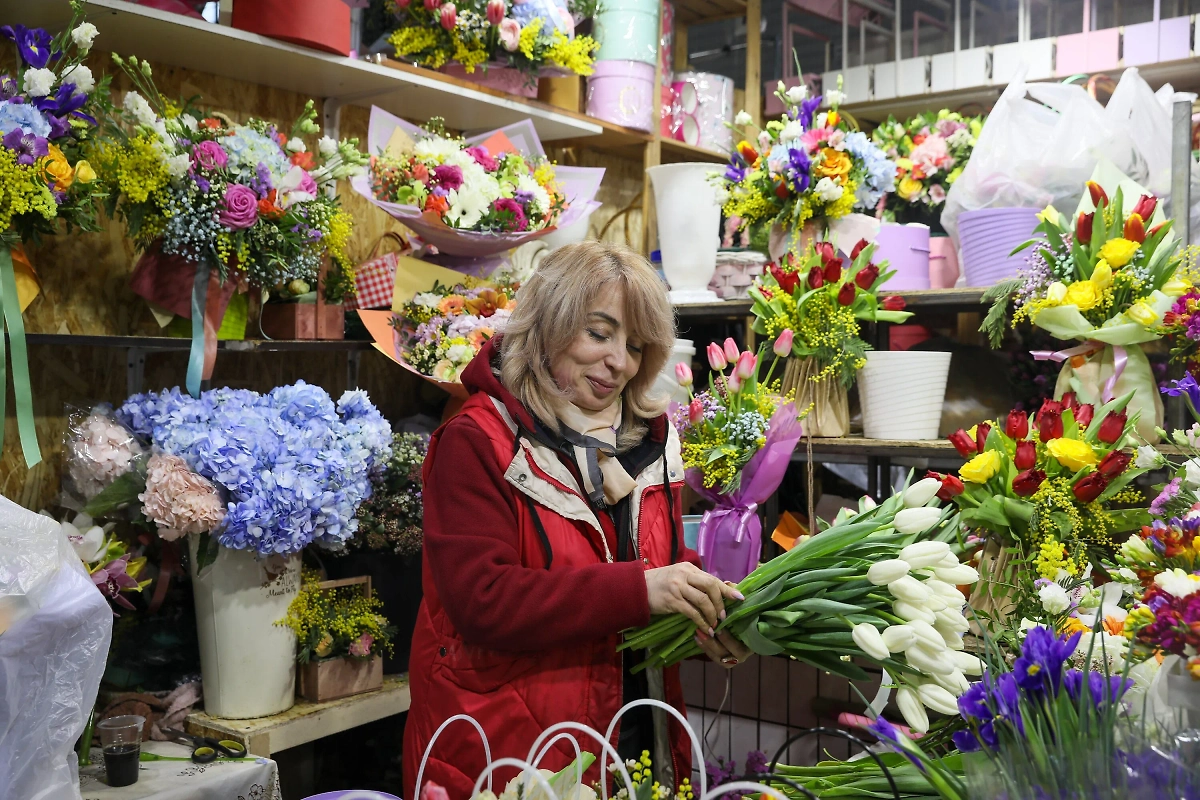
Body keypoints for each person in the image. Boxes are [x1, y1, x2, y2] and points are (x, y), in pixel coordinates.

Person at [402, 242, 752, 799]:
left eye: (636, 345)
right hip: (514, 754)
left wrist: (701, 606)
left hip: (636, 741)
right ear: (548, 325)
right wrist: (642, 591)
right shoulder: (478, 441)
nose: (619, 362)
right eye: (599, 333)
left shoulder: (650, 444)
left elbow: (655, 564)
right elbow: (482, 600)